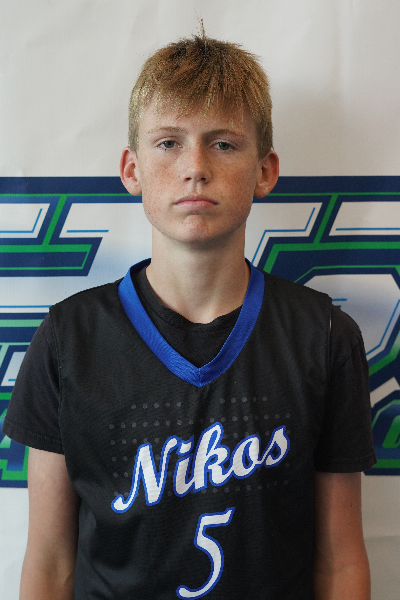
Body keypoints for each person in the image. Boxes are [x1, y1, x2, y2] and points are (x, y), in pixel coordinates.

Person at [3, 33, 376, 600]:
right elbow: (50, 565)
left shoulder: (323, 336)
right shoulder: (68, 339)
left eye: (223, 144)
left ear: (265, 170)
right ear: (131, 169)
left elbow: (340, 561)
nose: (195, 168)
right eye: (168, 143)